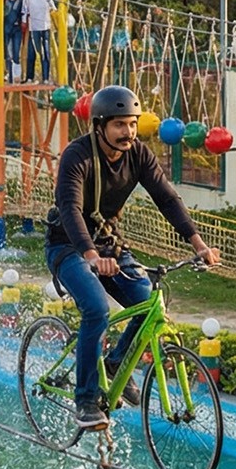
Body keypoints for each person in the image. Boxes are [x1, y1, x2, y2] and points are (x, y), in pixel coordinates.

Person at [45, 85, 220, 430]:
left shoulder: (138, 154)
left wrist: (198, 244)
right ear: (99, 126)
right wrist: (91, 256)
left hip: (111, 246)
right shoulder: (77, 156)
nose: (129, 133)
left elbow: (167, 199)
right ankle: (85, 400)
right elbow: (71, 209)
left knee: (150, 305)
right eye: (120, 125)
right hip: (68, 246)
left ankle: (113, 365)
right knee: (96, 308)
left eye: (133, 124)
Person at [21, 0, 56, 83]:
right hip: (33, 27)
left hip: (45, 26)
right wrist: (23, 23)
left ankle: (45, 78)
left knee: (45, 53)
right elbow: (24, 10)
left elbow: (53, 9)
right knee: (32, 53)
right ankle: (29, 77)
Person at [3, 0, 25, 82]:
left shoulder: (21, 0)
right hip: (6, 29)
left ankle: (17, 75)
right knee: (8, 53)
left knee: (16, 52)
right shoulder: (3, 0)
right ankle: (10, 76)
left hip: (17, 29)